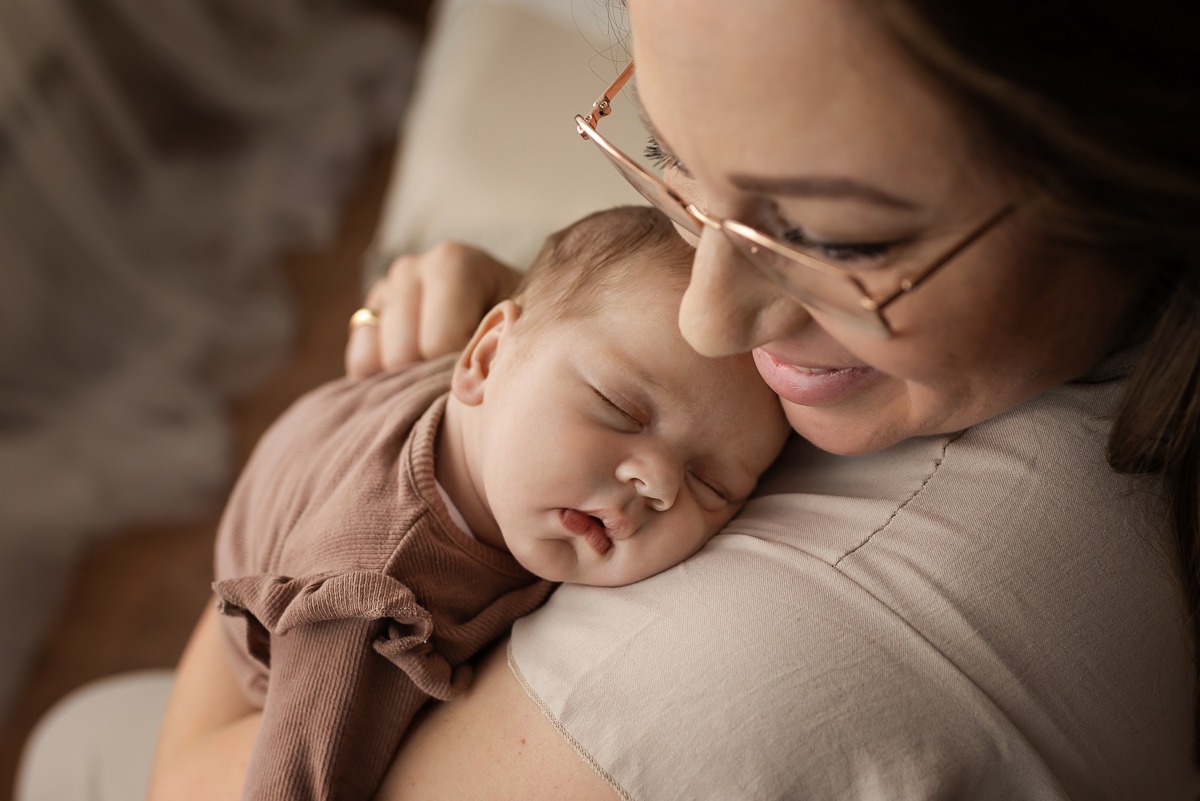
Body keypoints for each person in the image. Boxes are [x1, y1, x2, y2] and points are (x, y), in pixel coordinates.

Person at [42, 0, 1200, 799]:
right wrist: (532, 359)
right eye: (676, 165)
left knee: (78, 744)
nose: (707, 322)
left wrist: (358, 440)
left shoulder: (786, 660)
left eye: (830, 237)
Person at [202, 205, 789, 801]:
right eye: (621, 409)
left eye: (712, 486)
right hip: (275, 658)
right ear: (483, 359)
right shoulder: (376, 595)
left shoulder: (513, 411)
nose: (658, 484)